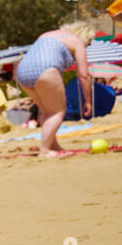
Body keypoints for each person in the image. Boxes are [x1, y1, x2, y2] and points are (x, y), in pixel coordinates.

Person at [14, 21, 95, 157]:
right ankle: (45, 150)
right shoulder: (77, 42)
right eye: (89, 42)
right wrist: (88, 100)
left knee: (45, 110)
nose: (88, 45)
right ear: (85, 36)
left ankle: (53, 145)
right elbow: (84, 75)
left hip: (22, 71)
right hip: (46, 69)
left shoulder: (47, 34)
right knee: (57, 112)